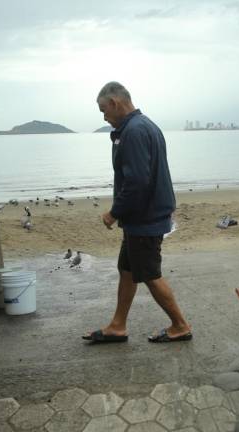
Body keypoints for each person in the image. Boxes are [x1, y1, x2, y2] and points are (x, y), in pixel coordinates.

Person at [83, 81, 192, 344]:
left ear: (115, 103)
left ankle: (180, 325)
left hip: (145, 219)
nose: (104, 116)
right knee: (128, 270)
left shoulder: (133, 131)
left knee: (151, 275)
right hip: (143, 216)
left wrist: (113, 212)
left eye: (103, 110)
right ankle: (118, 325)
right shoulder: (144, 125)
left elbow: (137, 182)